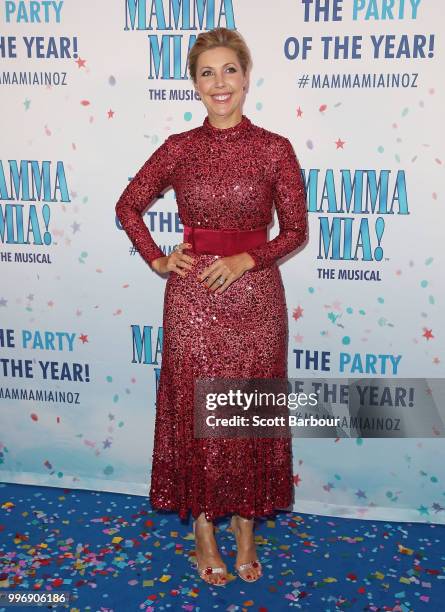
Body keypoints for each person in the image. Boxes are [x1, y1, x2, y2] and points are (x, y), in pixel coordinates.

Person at [115, 27, 308, 586]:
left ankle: (246, 527)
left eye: (229, 70)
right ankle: (203, 528)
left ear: (246, 77)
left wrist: (250, 259)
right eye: (207, 73)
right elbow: (128, 206)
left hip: (256, 300)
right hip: (193, 299)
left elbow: (294, 230)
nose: (219, 82)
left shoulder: (275, 148)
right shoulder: (179, 148)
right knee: (199, 413)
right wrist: (156, 259)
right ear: (194, 84)